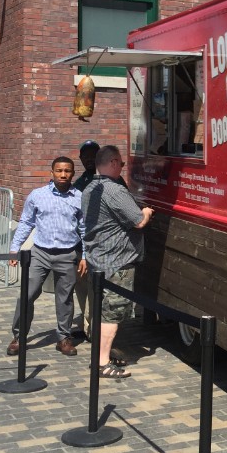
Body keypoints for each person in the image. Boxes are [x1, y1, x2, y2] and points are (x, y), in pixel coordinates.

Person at [81, 145, 154, 379]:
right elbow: (138, 221)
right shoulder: (114, 190)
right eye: (121, 164)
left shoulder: (90, 187)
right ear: (113, 162)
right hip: (116, 263)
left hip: (99, 259)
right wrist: (148, 211)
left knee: (102, 311)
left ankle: (100, 354)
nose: (122, 168)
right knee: (113, 313)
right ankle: (102, 364)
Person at [6, 156, 86, 357]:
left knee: (65, 299)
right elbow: (26, 222)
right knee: (27, 294)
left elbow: (85, 229)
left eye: (67, 171)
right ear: (52, 172)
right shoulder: (37, 195)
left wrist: (85, 255)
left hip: (67, 254)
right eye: (59, 170)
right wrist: (15, 248)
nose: (63, 174)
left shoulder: (79, 197)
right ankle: (19, 336)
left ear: (72, 174)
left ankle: (63, 338)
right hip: (40, 253)